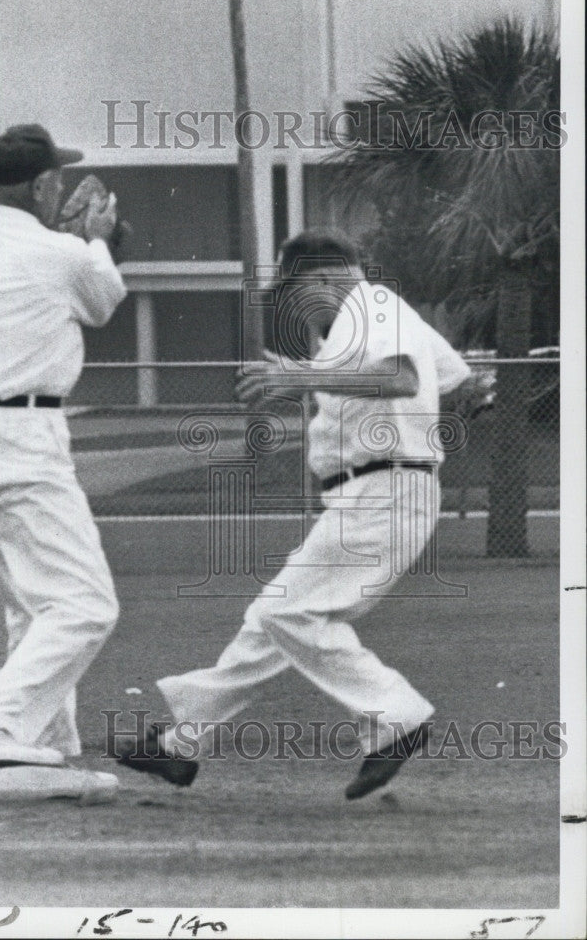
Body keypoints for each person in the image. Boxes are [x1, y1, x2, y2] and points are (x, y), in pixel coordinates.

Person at [119, 229, 471, 799]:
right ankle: (181, 746)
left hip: (383, 488)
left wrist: (300, 377)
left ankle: (398, 717)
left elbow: (403, 377)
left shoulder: (370, 306)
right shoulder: (374, 314)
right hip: (382, 487)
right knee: (269, 622)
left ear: (328, 277)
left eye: (297, 289)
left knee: (289, 615)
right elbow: (453, 378)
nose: (294, 302)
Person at [0, 124, 126, 771]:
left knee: (29, 603)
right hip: (18, 437)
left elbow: (29, 274)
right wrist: (95, 239)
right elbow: (100, 302)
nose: (62, 189)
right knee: (85, 605)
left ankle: (46, 737)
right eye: (57, 182)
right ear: (43, 184)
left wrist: (68, 240)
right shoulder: (63, 254)